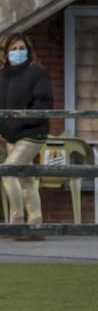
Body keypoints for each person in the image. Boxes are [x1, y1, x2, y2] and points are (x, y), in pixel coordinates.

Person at [0, 32, 54, 240]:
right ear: (6, 53)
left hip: (33, 133)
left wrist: (16, 122)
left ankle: (17, 222)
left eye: (22, 48)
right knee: (26, 180)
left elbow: (44, 103)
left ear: (29, 51)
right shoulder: (2, 76)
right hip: (11, 137)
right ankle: (36, 224)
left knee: (8, 171)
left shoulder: (37, 73)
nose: (18, 52)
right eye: (13, 49)